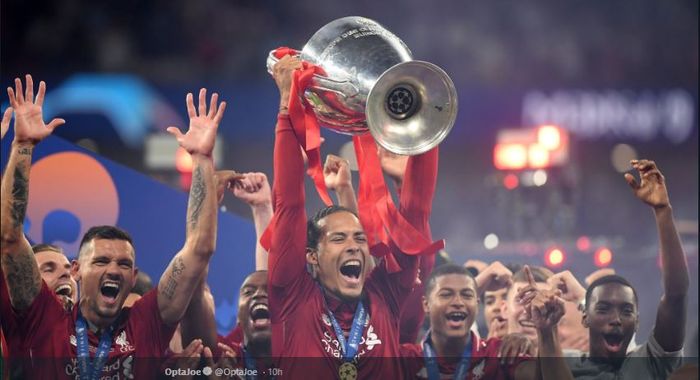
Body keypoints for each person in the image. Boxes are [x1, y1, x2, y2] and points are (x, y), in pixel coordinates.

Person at [0, 76, 224, 379]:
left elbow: (199, 249)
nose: (114, 270)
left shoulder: (146, 323)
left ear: (133, 279)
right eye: (102, 261)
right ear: (77, 270)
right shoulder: (47, 319)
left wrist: (202, 159)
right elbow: (10, 236)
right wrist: (23, 146)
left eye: (124, 264)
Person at [267, 55, 437, 378]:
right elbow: (288, 203)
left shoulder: (384, 295)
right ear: (312, 257)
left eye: (360, 237)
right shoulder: (291, 295)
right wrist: (286, 107)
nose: (355, 245)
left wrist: (422, 129)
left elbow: (415, 214)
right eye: (339, 237)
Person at [565, 159, 688, 379]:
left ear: (638, 321)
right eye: (603, 309)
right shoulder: (562, 363)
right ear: (585, 316)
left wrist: (662, 211)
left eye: (626, 311)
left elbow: (676, 295)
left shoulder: (650, 364)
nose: (616, 319)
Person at [402, 264, 538, 379]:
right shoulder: (403, 360)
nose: (458, 302)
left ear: (477, 304)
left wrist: (547, 331)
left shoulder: (502, 354)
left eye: (467, 295)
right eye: (446, 294)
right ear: (426, 304)